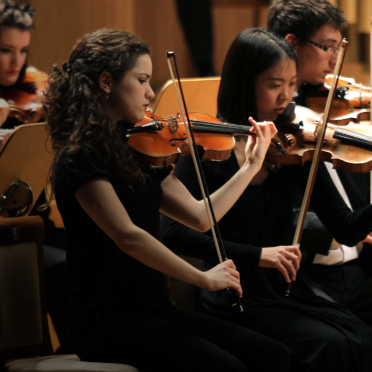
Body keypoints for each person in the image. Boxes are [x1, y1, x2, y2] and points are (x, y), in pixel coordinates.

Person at [43, 28, 290, 372]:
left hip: (155, 309)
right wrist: (203, 278)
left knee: (271, 353)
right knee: (225, 367)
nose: (149, 93)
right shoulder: (79, 157)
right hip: (106, 320)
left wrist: (250, 165)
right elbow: (129, 236)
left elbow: (202, 216)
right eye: (142, 80)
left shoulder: (137, 150)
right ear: (105, 82)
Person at [160, 27, 372, 372]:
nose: (287, 96)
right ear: (245, 83)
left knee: (361, 338)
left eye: (292, 84)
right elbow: (173, 233)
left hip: (288, 290)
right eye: (275, 85)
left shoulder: (295, 146)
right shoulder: (206, 149)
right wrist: (258, 256)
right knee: (329, 344)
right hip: (232, 293)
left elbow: (346, 229)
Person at [267, 0, 372, 327]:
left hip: (358, 267)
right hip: (308, 274)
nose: (335, 59)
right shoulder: (274, 125)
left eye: (338, 48)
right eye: (326, 46)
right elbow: (271, 215)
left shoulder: (336, 108)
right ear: (291, 43)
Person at [0, 0, 71, 352]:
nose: (17, 63)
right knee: (60, 267)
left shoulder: (35, 88)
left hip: (37, 218)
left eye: (23, 51)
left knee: (89, 252)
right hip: (7, 230)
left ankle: (81, 349)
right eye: (5, 50)